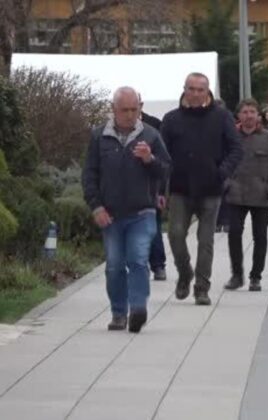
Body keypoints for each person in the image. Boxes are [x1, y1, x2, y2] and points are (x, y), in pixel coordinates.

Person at [83, 86, 171, 333]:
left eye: (135, 109)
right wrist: (96, 206)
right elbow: (89, 174)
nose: (130, 115)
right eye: (125, 110)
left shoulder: (152, 136)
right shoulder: (99, 136)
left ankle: (138, 308)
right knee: (114, 265)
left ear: (140, 108)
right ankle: (119, 313)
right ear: (114, 109)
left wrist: (149, 160)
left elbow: (166, 170)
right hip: (110, 214)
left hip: (142, 212)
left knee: (138, 259)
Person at [161, 73, 243, 306]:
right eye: (191, 89)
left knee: (205, 240)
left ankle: (202, 287)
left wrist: (221, 172)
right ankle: (185, 272)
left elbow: (236, 149)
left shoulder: (221, 117)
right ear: (184, 89)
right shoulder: (171, 119)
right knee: (175, 234)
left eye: (201, 89)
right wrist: (160, 185)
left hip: (211, 188)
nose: (196, 94)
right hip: (180, 187)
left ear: (208, 92)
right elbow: (162, 155)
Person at [224, 99, 268, 293]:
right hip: (235, 194)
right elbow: (220, 162)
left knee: (260, 237)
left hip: (261, 195)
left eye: (252, 112)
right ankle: (236, 274)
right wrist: (225, 184)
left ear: (258, 115)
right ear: (238, 115)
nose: (249, 115)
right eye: (245, 112)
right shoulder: (230, 137)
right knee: (234, 233)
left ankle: (256, 277)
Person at [139, 98, 168, 281]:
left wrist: (162, 191)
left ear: (141, 105)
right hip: (125, 188)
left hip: (151, 185)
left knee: (153, 226)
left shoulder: (154, 126)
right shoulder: (113, 128)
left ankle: (158, 265)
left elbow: (164, 161)